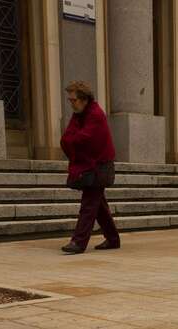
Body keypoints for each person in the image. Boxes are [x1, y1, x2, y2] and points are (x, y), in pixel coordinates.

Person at [60, 81, 120, 254]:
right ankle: (113, 239)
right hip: (91, 165)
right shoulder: (79, 114)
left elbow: (83, 139)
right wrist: (70, 142)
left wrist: (71, 142)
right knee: (98, 205)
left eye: (73, 100)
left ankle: (78, 242)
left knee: (89, 204)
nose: (71, 103)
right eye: (69, 100)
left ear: (84, 99)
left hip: (99, 166)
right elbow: (67, 138)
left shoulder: (95, 114)